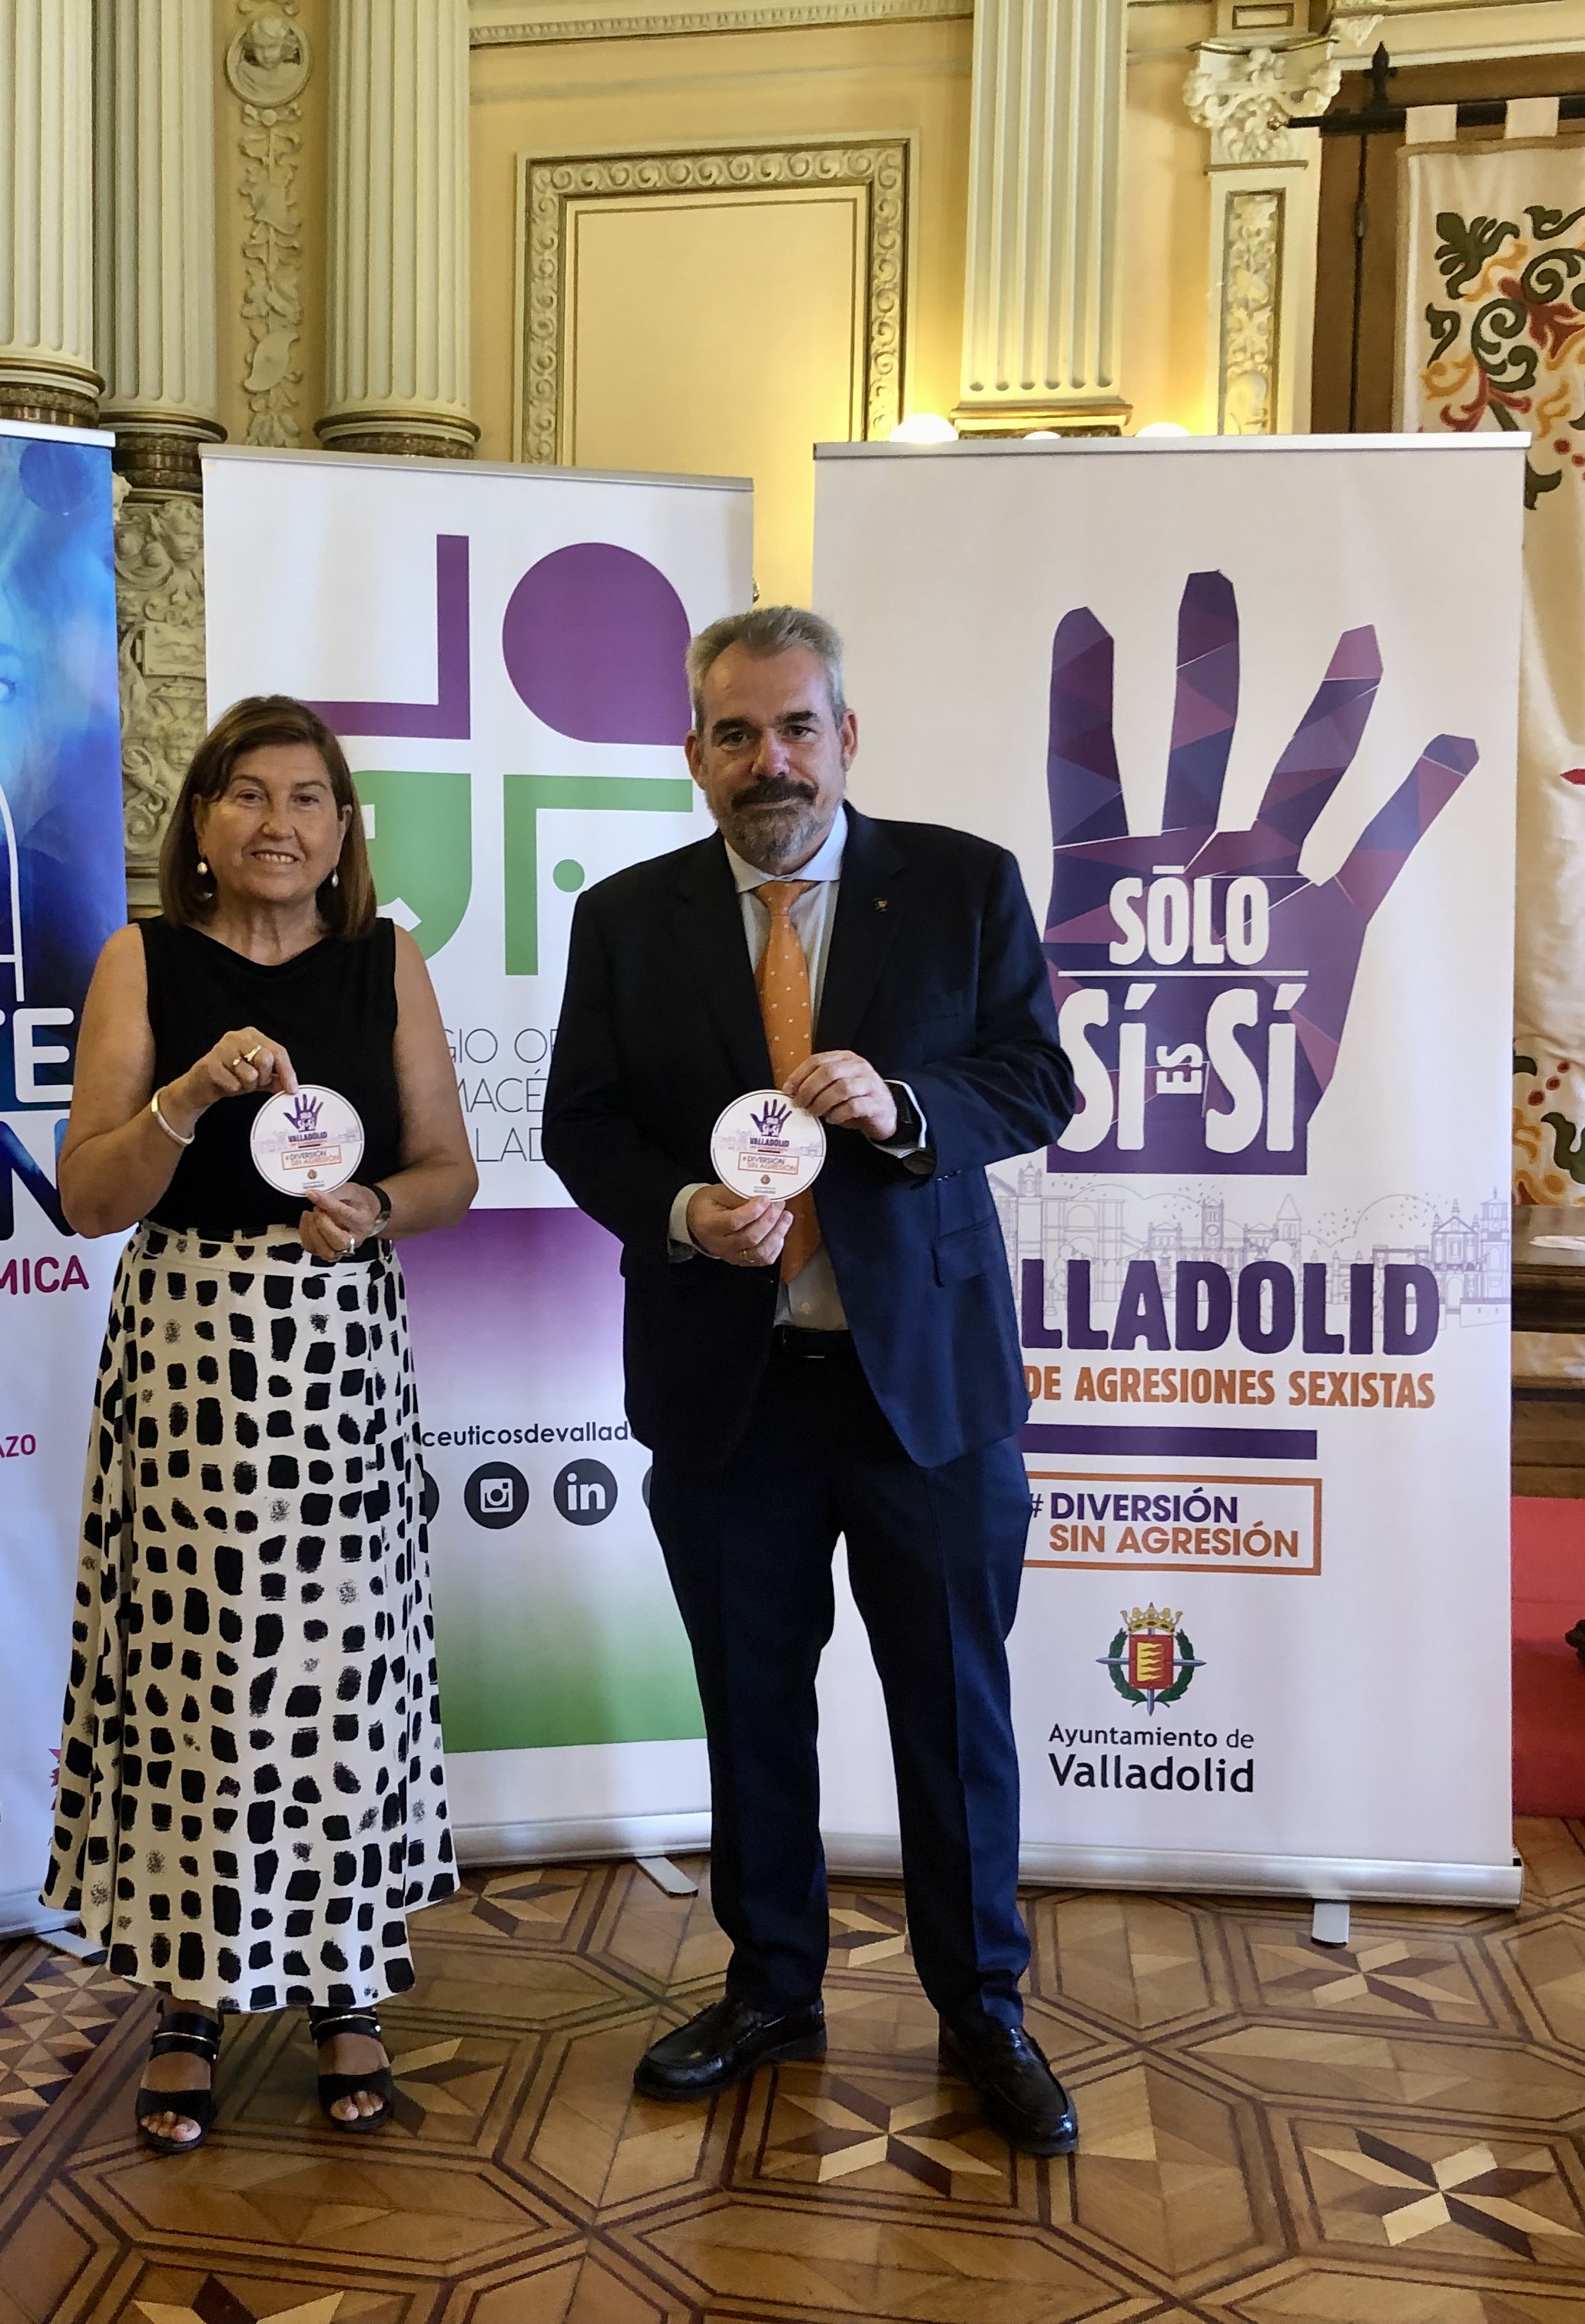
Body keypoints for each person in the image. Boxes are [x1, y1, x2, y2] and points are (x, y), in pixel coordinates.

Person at [542, 606, 1081, 2153]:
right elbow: (584, 1125)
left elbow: (1038, 1079)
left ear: (846, 738)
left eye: (795, 728)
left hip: (927, 1393)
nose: (767, 760)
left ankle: (983, 2006)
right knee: (753, 1706)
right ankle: (773, 1986)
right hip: (732, 1386)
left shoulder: (963, 883)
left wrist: (906, 1104)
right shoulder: (629, 917)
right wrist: (683, 1211)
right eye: (736, 734)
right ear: (694, 753)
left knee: (953, 1711)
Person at [44, 694, 478, 2153]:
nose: (278, 823)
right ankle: (188, 1992)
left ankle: (348, 1981)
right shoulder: (143, 960)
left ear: (344, 829)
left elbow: (451, 1173)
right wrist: (181, 1097)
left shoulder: (384, 961)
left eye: (306, 798)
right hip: (188, 1354)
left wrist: (377, 1208)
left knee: (342, 1672)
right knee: (198, 1676)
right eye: (247, 794)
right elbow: (89, 1198)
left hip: (340, 1351)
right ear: (203, 824)